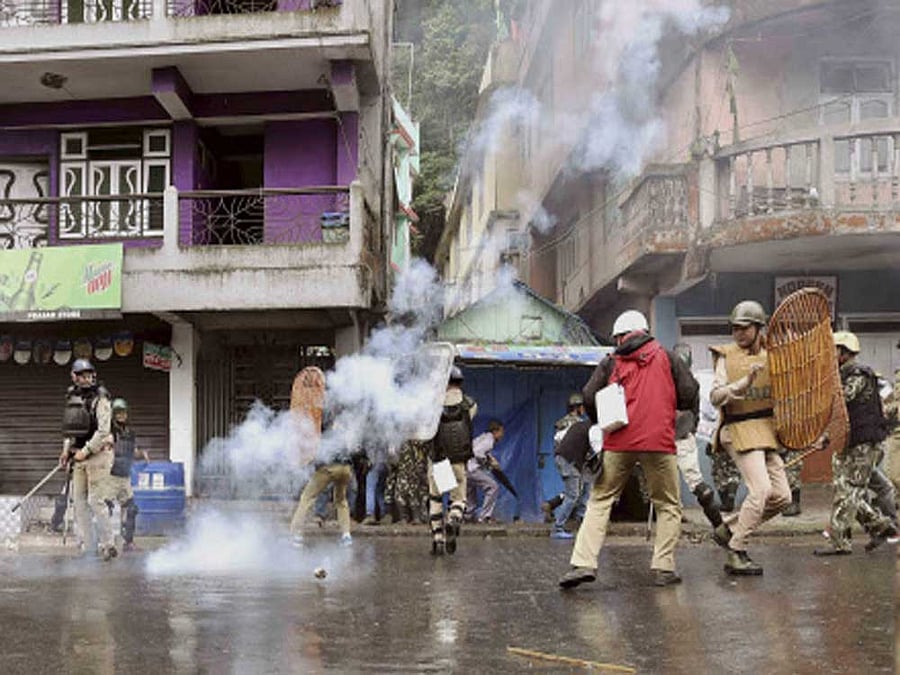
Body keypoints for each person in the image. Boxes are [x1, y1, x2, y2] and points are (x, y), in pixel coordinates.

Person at [558, 310, 698, 589]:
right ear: (645, 331)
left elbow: (588, 395)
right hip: (659, 443)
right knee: (668, 504)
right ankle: (664, 568)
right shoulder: (668, 357)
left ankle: (583, 564)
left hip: (619, 442)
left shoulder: (611, 362)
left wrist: (603, 422)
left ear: (621, 336)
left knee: (600, 499)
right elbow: (689, 391)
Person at [709, 300, 792, 576]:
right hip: (738, 429)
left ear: (759, 328)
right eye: (735, 328)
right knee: (760, 491)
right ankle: (736, 550)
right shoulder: (726, 356)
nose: (739, 333)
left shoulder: (774, 355)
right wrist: (742, 383)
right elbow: (715, 396)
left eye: (745, 328)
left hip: (767, 430)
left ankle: (730, 528)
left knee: (782, 497)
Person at [814, 332, 897, 555]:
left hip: (864, 444)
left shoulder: (857, 375)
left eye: (833, 351)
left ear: (843, 353)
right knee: (844, 489)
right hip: (852, 442)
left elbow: (841, 400)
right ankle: (881, 526)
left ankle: (840, 543)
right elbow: (841, 418)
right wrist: (827, 437)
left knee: (848, 490)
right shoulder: (843, 374)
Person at [58, 358, 117, 561]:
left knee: (95, 501)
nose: (86, 379)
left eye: (89, 375)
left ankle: (108, 545)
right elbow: (70, 429)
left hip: (98, 456)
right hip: (78, 456)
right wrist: (66, 451)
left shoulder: (101, 399)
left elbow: (103, 431)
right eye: (82, 375)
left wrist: (87, 450)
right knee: (79, 503)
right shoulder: (72, 398)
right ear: (74, 376)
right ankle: (89, 547)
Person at [671, 343, 725, 532]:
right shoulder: (693, 382)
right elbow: (695, 413)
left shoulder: (662, 379)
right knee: (697, 483)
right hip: (685, 435)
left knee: (667, 486)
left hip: (664, 437)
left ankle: (672, 526)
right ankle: (720, 527)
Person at [427, 365, 477, 555]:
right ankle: (454, 518)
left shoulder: (433, 405)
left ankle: (438, 540)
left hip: (439, 460)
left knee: (436, 499)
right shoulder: (470, 405)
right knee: (458, 499)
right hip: (459, 461)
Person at [290, 414, 355, 547]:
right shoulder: (342, 429)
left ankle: (295, 534)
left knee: (307, 497)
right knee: (341, 501)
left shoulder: (320, 430)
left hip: (328, 468)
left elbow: (314, 451)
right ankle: (346, 535)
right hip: (346, 469)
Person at [106, 398, 149, 552]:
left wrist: (142, 454)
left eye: (123, 412)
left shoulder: (130, 432)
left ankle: (128, 542)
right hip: (110, 476)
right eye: (118, 413)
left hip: (125, 476)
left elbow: (133, 451)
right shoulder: (108, 431)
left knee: (131, 509)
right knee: (105, 509)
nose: (121, 415)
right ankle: (103, 542)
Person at [549, 394, 591, 539]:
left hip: (569, 459)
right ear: (578, 408)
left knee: (584, 487)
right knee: (574, 494)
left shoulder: (561, 423)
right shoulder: (578, 424)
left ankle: (582, 520)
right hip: (573, 460)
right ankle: (558, 526)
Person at [466, 419, 504, 523]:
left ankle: (467, 516)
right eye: (501, 432)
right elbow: (477, 452)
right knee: (493, 487)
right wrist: (488, 462)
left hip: (466, 468)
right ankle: (485, 516)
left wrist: (489, 458)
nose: (502, 435)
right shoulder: (489, 440)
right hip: (472, 469)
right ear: (495, 431)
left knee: (470, 491)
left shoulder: (483, 437)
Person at [362, 445, 390, 525]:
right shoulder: (384, 435)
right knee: (379, 491)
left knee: (370, 489)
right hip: (384, 464)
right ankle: (384, 514)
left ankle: (370, 514)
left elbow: (362, 449)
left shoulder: (371, 435)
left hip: (374, 463)